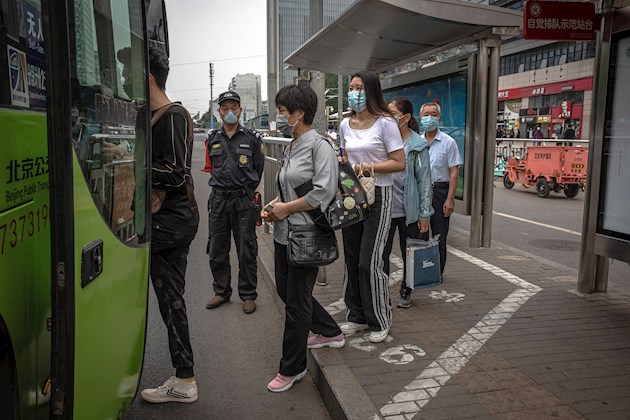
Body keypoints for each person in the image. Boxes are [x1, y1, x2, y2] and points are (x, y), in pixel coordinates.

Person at [261, 84, 344, 393]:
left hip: (306, 234)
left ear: (299, 113)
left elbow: (323, 191)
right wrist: (275, 208)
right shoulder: (290, 144)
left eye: (283, 111)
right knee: (286, 290)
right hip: (286, 234)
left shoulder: (319, 146)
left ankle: (292, 368)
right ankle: (330, 331)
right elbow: (287, 184)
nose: (280, 116)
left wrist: (287, 209)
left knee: (296, 304)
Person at [140, 48, 200, 404]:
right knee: (169, 299)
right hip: (167, 221)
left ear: (147, 78)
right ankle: (185, 376)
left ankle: (185, 378)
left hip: (171, 223)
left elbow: (177, 175)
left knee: (170, 299)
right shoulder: (154, 116)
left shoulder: (173, 115)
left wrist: (133, 165)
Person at [338, 71, 405, 343]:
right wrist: (344, 165)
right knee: (352, 259)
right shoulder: (345, 124)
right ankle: (356, 316)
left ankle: (379, 318)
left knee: (370, 261)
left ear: (372, 91)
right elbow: (344, 155)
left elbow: (399, 162)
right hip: (351, 194)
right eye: (351, 87)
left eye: (359, 88)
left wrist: (367, 168)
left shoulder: (386, 123)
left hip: (379, 194)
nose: (354, 93)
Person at [206, 91, 264, 314]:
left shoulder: (251, 138)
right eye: (225, 108)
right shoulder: (213, 138)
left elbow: (257, 169)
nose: (229, 112)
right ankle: (221, 291)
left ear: (240, 110)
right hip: (219, 201)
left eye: (234, 108)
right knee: (217, 249)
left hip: (242, 201)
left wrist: (246, 190)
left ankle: (248, 294)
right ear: (219, 112)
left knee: (246, 249)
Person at [383, 97, 433, 309]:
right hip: (384, 209)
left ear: (404, 118)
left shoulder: (417, 145)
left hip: (408, 211)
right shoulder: (383, 140)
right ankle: (381, 290)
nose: (387, 117)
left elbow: (424, 182)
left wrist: (424, 214)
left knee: (409, 253)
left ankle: (406, 288)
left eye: (391, 113)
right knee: (381, 254)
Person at [420, 102, 462, 276]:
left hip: (440, 192)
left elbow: (453, 172)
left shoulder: (448, 142)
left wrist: (450, 199)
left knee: (439, 234)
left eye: (433, 114)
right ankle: (421, 270)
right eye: (426, 114)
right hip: (421, 193)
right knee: (420, 234)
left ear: (439, 118)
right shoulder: (417, 142)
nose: (429, 118)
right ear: (420, 117)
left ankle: (437, 272)